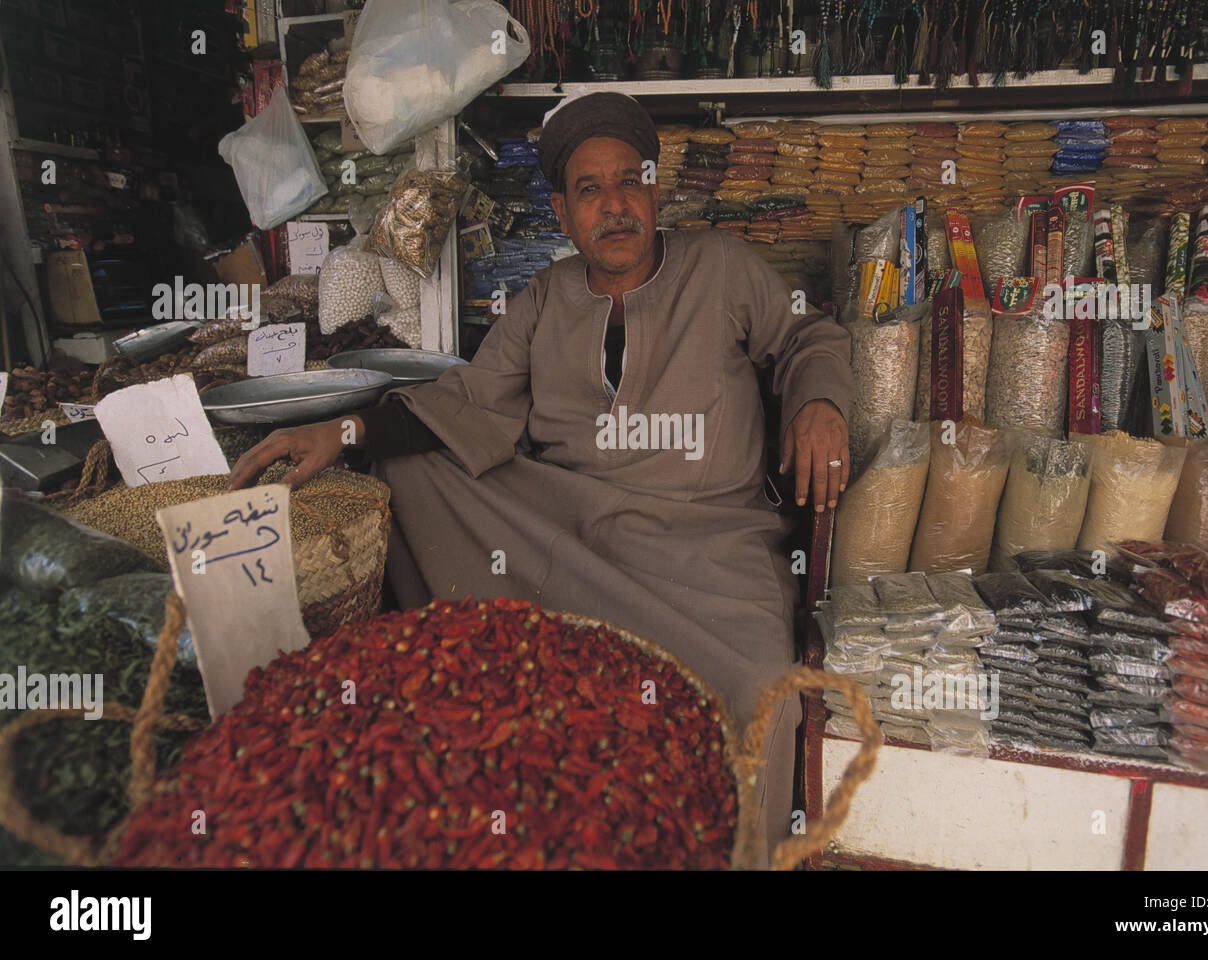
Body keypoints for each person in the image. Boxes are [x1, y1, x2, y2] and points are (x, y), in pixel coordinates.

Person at [228, 91, 853, 867]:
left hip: (712, 547)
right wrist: (345, 429)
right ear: (562, 211)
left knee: (767, 693)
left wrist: (820, 399)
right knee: (419, 471)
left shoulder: (722, 267)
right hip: (574, 534)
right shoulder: (540, 301)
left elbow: (807, 332)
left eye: (630, 181)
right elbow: (464, 405)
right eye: (590, 190)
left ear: (656, 189)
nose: (615, 206)